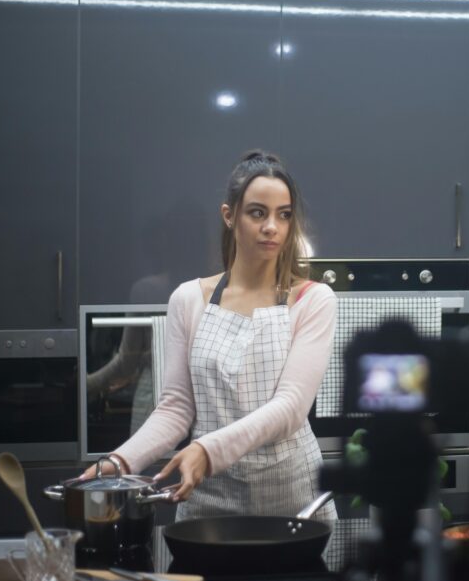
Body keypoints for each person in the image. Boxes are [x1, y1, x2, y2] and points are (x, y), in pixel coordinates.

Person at [82, 150, 337, 523]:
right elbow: (176, 408)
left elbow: (290, 408)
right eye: (257, 213)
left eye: (283, 215)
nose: (272, 227)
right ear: (229, 216)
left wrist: (206, 449)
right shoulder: (188, 299)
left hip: (294, 500)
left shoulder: (312, 300)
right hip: (210, 502)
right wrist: (119, 461)